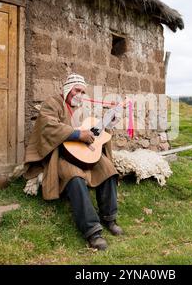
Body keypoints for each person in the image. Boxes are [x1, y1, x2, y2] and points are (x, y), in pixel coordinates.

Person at [23, 73, 123, 250]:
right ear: (68, 89)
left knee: (108, 169)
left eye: (83, 92)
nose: (80, 95)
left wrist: (110, 120)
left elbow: (94, 131)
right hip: (61, 154)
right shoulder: (53, 103)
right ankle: (92, 231)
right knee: (75, 178)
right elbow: (48, 126)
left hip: (84, 153)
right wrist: (77, 134)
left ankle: (109, 218)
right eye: (77, 90)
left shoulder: (83, 109)